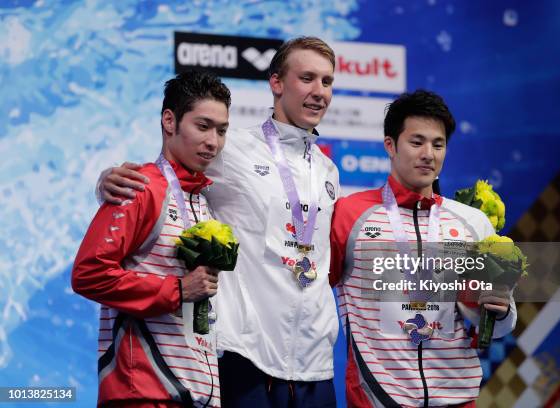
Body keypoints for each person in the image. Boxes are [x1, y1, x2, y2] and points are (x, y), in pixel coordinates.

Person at [96, 37, 339, 407]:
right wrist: (105, 182)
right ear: (276, 83)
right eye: (306, 78)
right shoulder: (233, 148)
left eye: (326, 81)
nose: (318, 91)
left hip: (315, 363)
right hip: (247, 353)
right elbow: (167, 176)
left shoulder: (328, 170)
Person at [329, 90, 517, 407]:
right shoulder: (350, 214)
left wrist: (498, 310)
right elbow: (310, 291)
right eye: (416, 142)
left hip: (456, 397)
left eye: (438, 144)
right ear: (390, 145)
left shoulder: (472, 222)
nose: (428, 153)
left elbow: (496, 324)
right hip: (377, 397)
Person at [72, 71, 231, 407]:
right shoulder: (139, 186)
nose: (213, 142)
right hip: (144, 392)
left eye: (221, 130)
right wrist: (177, 290)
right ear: (169, 121)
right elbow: (89, 273)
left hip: (199, 393)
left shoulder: (203, 201)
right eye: (202, 126)